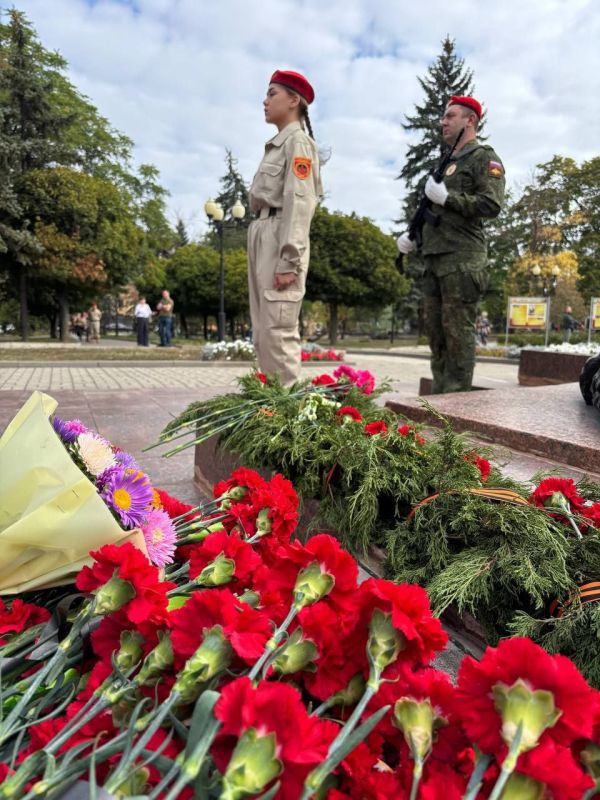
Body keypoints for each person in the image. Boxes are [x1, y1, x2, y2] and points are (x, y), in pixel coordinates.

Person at [397, 95, 506, 393]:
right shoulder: (446, 163)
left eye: (450, 116)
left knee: (457, 333)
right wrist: (412, 236)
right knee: (436, 334)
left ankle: (455, 403)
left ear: (470, 120)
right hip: (434, 260)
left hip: (462, 261)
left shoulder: (484, 157)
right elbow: (434, 213)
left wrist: (448, 198)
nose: (443, 122)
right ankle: (439, 398)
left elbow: (491, 204)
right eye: (444, 116)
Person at [247, 69, 322, 386]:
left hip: (280, 234)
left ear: (294, 100)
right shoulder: (279, 144)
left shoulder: (298, 144)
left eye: (272, 94)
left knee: (278, 329)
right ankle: (268, 409)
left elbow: (300, 202)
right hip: (264, 230)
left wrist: (289, 258)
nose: (264, 101)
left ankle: (287, 415)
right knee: (263, 331)